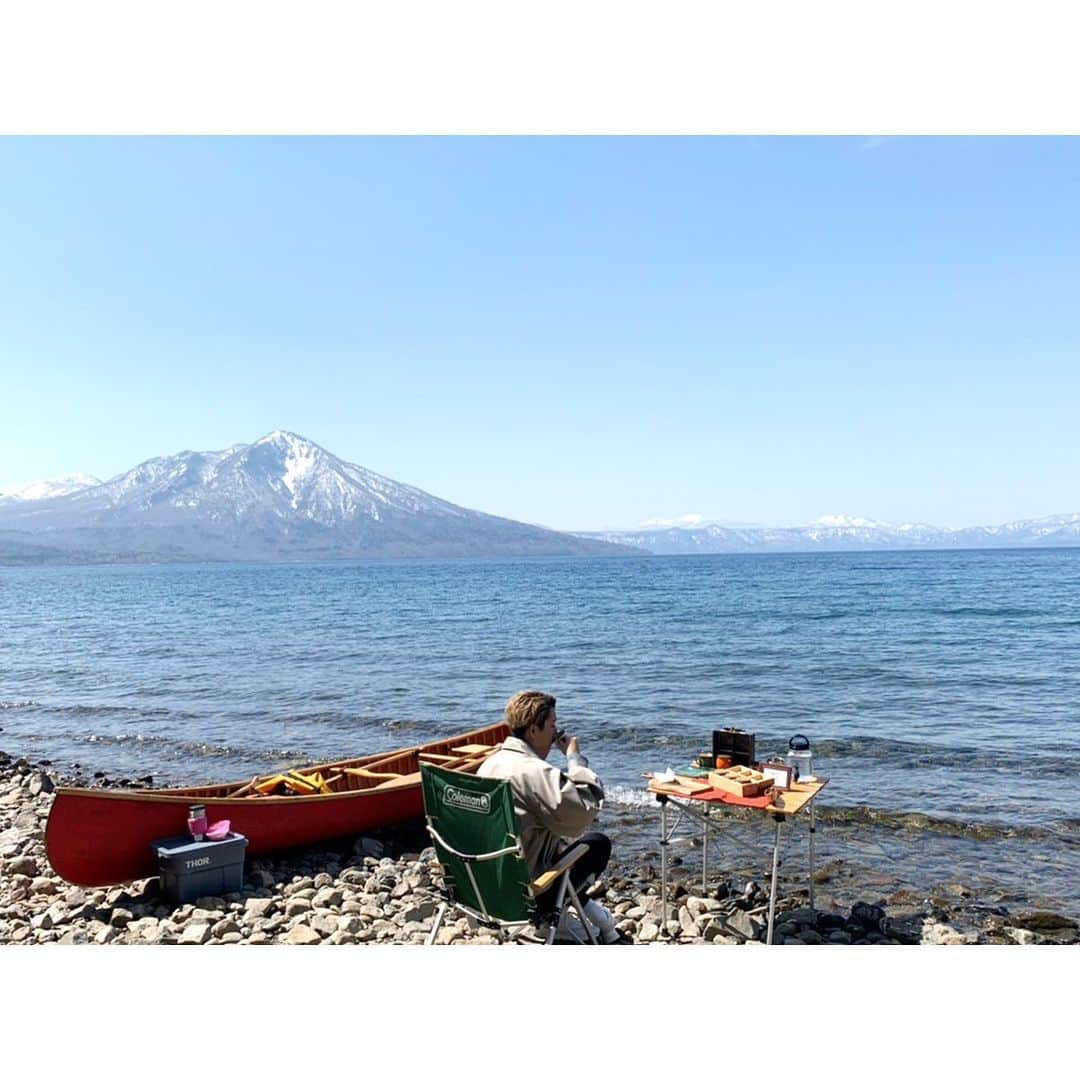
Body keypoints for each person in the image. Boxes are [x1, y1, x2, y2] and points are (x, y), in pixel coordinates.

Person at [478, 689, 625, 943]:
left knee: (557, 844)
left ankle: (596, 918)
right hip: (527, 891)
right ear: (534, 730)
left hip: (487, 882)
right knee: (597, 844)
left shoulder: (490, 764)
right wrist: (574, 759)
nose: (555, 732)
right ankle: (549, 918)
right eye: (553, 725)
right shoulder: (533, 771)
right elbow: (581, 814)